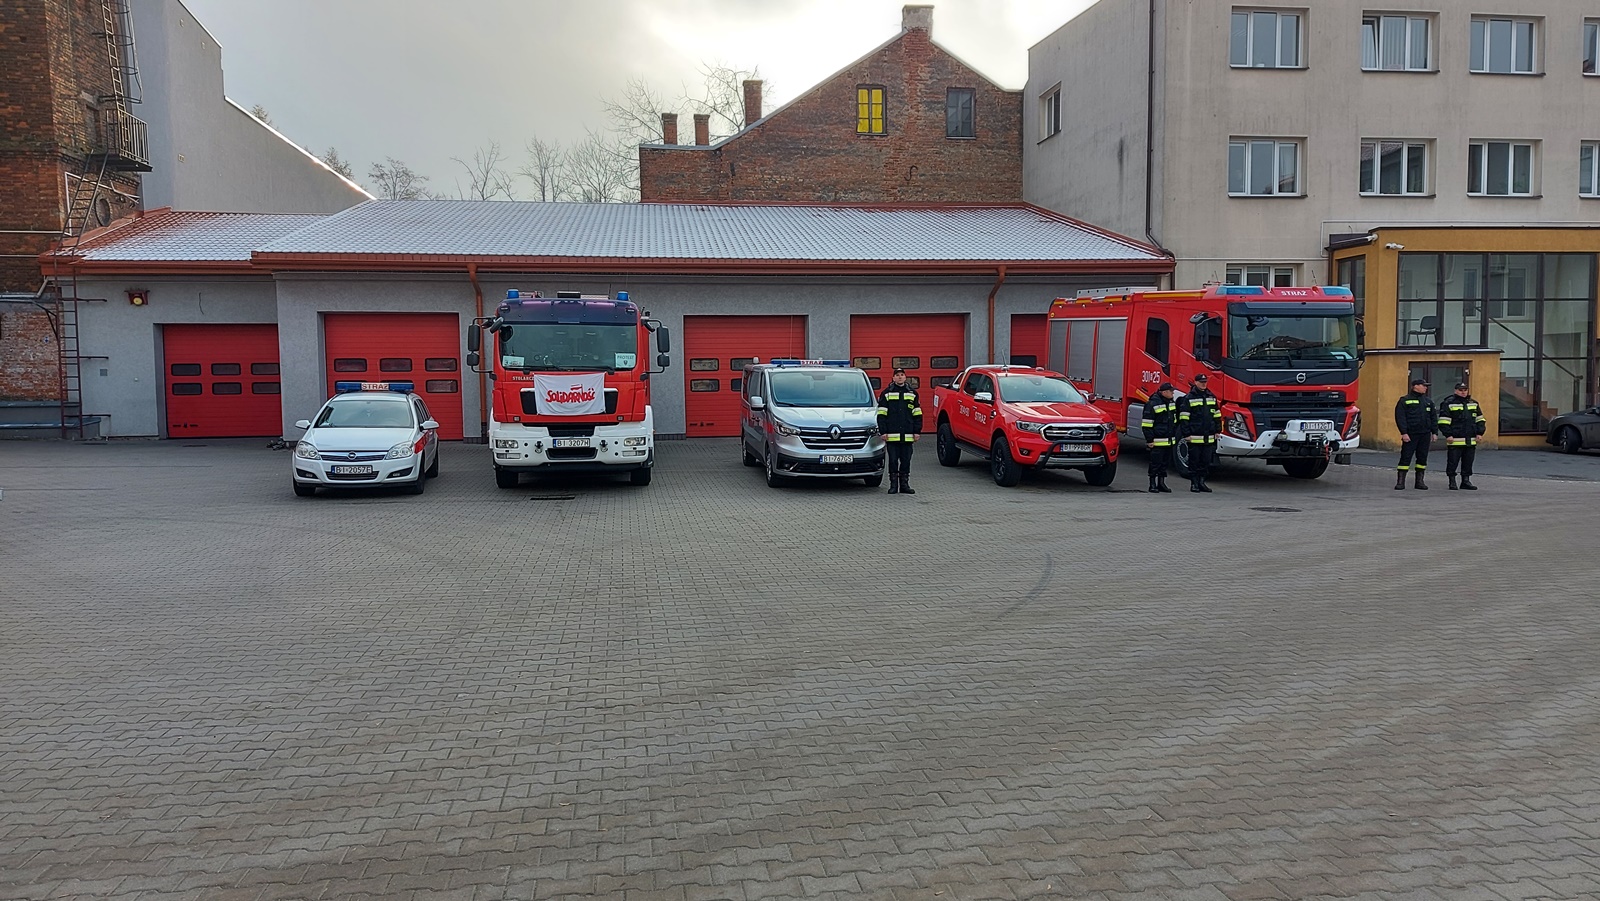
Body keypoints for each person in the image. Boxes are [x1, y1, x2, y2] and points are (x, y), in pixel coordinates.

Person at [877, 368, 922, 494]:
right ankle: (893, 486)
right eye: (897, 375)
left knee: (906, 461)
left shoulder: (912, 393)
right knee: (892, 461)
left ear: (905, 377)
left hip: (907, 435)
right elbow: (881, 414)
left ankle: (904, 485)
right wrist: (883, 431)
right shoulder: (887, 393)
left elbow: (917, 414)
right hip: (892, 435)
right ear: (893, 378)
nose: (900, 377)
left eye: (902, 375)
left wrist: (917, 431)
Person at [1437, 381, 1486, 490]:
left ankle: (1465, 481)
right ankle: (1452, 481)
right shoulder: (1449, 403)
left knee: (1468, 462)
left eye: (1465, 390)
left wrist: (1480, 432)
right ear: (1456, 391)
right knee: (1453, 462)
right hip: (1455, 439)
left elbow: (1480, 420)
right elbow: (1443, 421)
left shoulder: (1473, 403)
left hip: (1470, 439)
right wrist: (1448, 435)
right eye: (1460, 390)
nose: (1463, 392)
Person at [1178, 373, 1220, 492]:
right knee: (1194, 461)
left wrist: (1218, 430)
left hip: (1208, 436)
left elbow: (1217, 414)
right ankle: (1194, 483)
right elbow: (1184, 417)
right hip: (1194, 436)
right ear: (1196, 383)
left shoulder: (1211, 396)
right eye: (1201, 382)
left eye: (1205, 382)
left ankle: (1201, 482)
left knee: (1206, 461)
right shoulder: (1189, 398)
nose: (1203, 384)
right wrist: (1186, 434)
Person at [1393, 376, 1438, 490]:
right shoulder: (1405, 400)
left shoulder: (1428, 401)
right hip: (1411, 434)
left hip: (1425, 434)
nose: (1425, 388)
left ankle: (1419, 482)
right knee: (1406, 457)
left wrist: (1434, 432)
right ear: (1415, 386)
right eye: (1423, 386)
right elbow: (1400, 418)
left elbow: (1433, 418)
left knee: (1422, 458)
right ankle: (1400, 482)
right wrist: (1404, 433)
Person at [1141, 382, 1178, 493]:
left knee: (1164, 464)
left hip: (1169, 440)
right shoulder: (1152, 404)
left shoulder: (1171, 403)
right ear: (1164, 392)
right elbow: (1147, 424)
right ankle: (1152, 484)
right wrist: (1149, 440)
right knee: (1155, 464)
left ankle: (1161, 483)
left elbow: (1174, 420)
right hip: (1157, 441)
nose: (1173, 393)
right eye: (1171, 391)